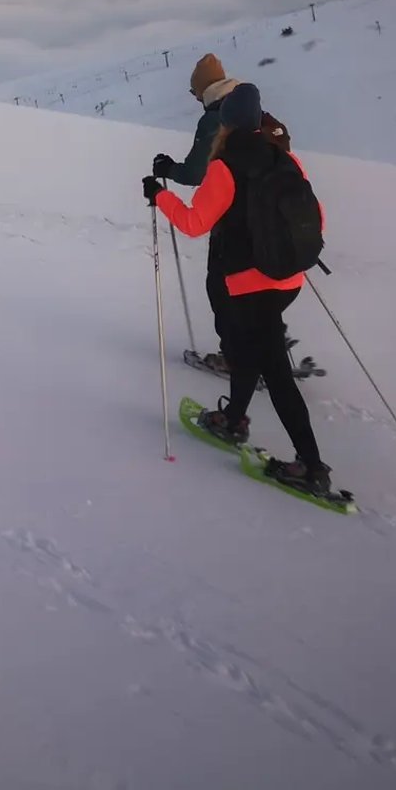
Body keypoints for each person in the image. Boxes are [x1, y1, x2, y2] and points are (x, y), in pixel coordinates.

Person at [142, 82, 330, 494]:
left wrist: (159, 196)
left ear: (225, 123)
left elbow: (194, 223)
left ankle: (312, 468)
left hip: (249, 285)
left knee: (276, 373)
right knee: (249, 353)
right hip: (290, 279)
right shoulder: (287, 159)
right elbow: (315, 216)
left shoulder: (224, 166)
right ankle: (233, 420)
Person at [151, 54, 292, 376]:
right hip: (274, 216)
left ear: (203, 90)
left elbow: (197, 173)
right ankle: (269, 339)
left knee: (223, 288)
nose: (195, 98)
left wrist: (168, 171)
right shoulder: (256, 110)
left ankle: (235, 357)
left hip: (234, 223)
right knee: (266, 282)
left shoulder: (218, 117)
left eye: (194, 92)